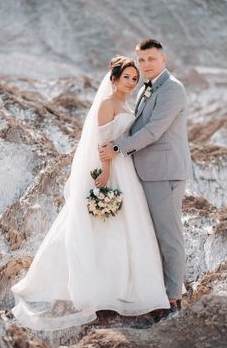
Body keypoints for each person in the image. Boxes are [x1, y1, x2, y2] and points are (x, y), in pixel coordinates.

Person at [11, 56, 170, 331]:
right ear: (114, 79)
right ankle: (100, 287)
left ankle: (129, 287)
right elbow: (101, 141)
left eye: (135, 78)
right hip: (112, 167)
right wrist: (105, 171)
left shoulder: (124, 102)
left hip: (126, 168)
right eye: (127, 77)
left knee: (131, 224)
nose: (131, 82)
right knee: (104, 224)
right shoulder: (108, 104)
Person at [99, 39, 192, 313]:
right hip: (143, 172)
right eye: (141, 60)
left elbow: (153, 130)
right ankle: (156, 293)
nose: (146, 65)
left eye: (151, 59)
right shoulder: (145, 89)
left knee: (169, 237)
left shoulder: (173, 89)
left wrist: (117, 148)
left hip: (164, 174)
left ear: (163, 59)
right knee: (150, 236)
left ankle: (174, 299)